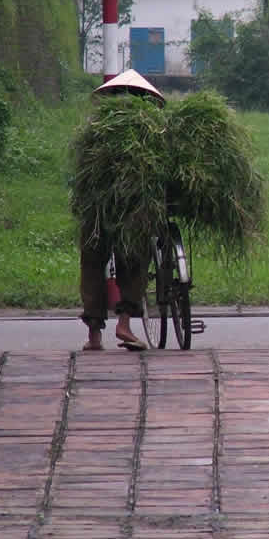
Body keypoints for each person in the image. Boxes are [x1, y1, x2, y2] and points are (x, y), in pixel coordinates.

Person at [78, 69, 166, 352]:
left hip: (98, 203)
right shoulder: (151, 127)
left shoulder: (96, 127)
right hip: (133, 204)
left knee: (92, 261)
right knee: (134, 261)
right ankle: (124, 323)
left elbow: (83, 170)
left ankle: (94, 335)